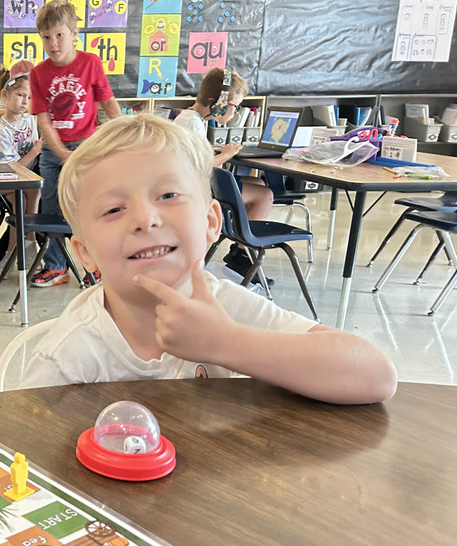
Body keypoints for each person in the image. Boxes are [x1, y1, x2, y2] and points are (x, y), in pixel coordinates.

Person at [21, 113, 397, 405]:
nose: (145, 219)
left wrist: (225, 342)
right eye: (114, 209)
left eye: (168, 195)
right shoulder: (68, 355)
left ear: (211, 222)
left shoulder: (226, 306)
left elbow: (376, 375)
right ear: (84, 252)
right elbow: (26, 460)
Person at [30, 0, 122, 287]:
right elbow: (43, 119)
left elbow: (108, 103)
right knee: (51, 208)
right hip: (52, 151)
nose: (53, 43)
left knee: (90, 209)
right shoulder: (38, 73)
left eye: (59, 35)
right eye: (46, 37)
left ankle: (94, 266)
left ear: (74, 33)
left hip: (87, 147)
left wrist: (124, 134)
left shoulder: (90, 63)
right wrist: (59, 152)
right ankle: (57, 267)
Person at [173, 67, 275, 280]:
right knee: (265, 196)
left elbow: (195, 154)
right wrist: (225, 154)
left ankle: (239, 248)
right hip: (200, 189)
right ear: (219, 104)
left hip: (201, 185)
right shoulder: (191, 122)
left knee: (257, 182)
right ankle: (243, 256)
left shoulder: (192, 119)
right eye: (235, 107)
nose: (235, 113)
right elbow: (199, 165)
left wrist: (213, 150)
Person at [0, 59, 44, 270]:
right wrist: (35, 150)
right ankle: (19, 249)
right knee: (24, 196)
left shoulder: (31, 121)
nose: (25, 102)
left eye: (30, 97)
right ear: (5, 95)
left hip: (22, 181)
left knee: (29, 193)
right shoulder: (3, 131)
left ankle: (23, 247)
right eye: (20, 95)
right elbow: (14, 168)